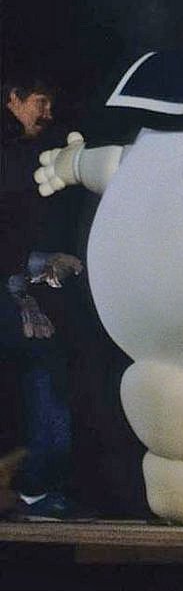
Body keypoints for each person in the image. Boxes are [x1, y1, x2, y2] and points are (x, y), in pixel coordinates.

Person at [1, 77, 84, 519]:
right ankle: (35, 486)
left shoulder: (24, 153)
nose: (47, 113)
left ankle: (35, 487)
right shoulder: (12, 157)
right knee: (43, 371)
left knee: (45, 370)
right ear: (12, 100)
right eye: (39, 102)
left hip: (18, 285)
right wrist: (36, 264)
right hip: (12, 285)